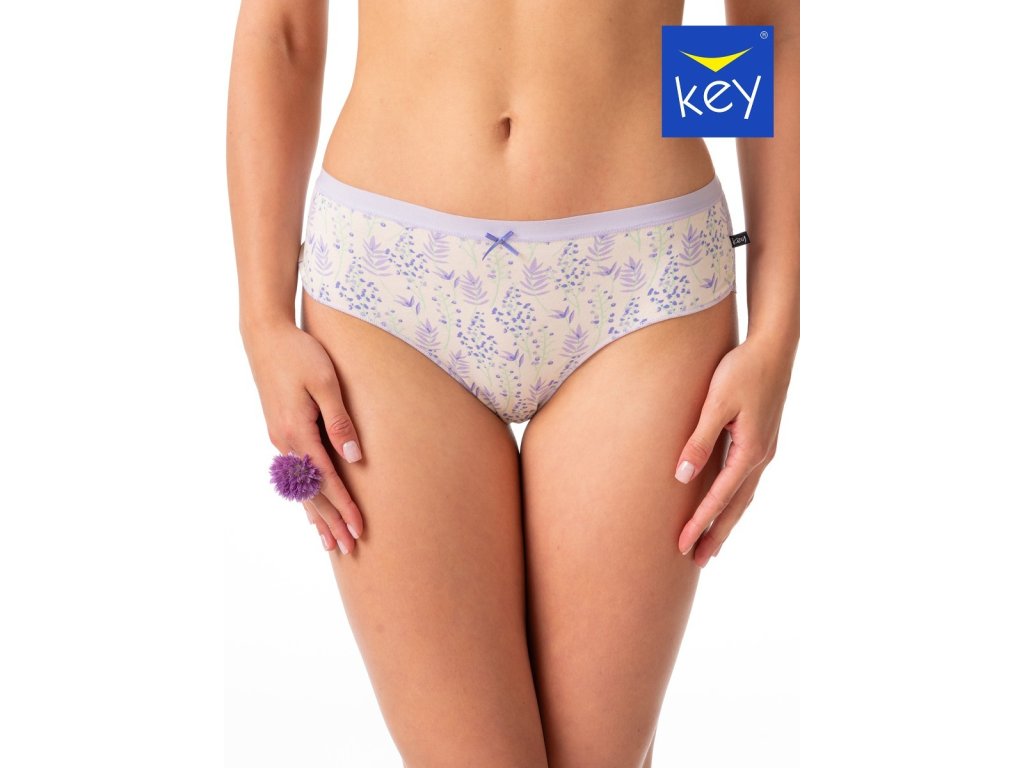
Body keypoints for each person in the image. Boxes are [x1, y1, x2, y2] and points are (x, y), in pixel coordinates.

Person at [227, 0, 799, 764]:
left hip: (643, 277)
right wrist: (262, 320)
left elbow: (757, 30)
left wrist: (777, 326)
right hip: (387, 286)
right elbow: (284, 29)